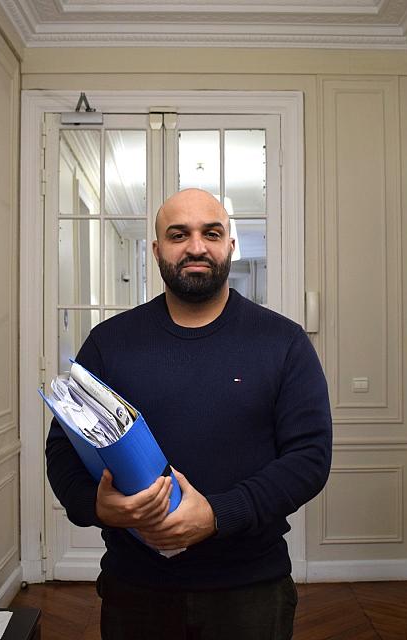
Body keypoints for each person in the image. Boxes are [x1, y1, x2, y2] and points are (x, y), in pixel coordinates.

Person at [45, 188, 333, 639]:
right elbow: (62, 448)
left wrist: (218, 514)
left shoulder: (284, 341)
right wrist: (96, 506)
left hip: (250, 589)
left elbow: (310, 458)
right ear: (157, 249)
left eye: (211, 233)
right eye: (178, 235)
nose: (196, 246)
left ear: (230, 245)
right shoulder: (109, 342)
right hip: (135, 588)